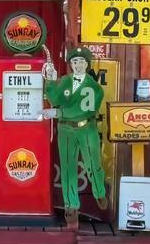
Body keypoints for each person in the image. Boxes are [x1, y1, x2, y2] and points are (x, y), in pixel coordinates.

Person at [42, 47, 106, 228]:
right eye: (75, 62)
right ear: (71, 64)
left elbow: (85, 110)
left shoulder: (93, 86)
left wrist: (58, 112)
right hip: (65, 130)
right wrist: (51, 81)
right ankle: (71, 206)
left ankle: (99, 191)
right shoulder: (65, 81)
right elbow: (55, 99)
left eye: (81, 62)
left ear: (87, 64)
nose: (78, 65)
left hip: (86, 128)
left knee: (92, 164)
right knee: (68, 168)